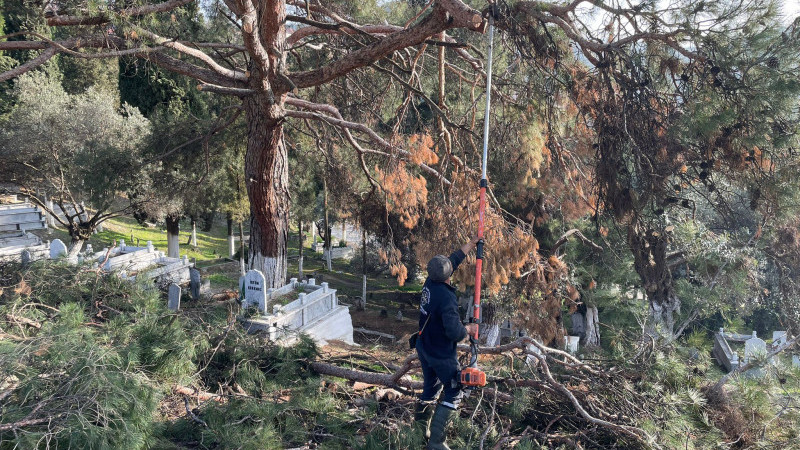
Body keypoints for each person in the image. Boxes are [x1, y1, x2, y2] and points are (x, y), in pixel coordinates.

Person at [414, 237, 480, 450]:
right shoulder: (447, 298)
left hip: (424, 346)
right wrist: (468, 329)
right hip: (440, 353)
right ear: (448, 276)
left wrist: (471, 244)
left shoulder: (430, 281)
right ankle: (436, 442)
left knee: (430, 390)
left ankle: (417, 436)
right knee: (454, 390)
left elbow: (453, 260)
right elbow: (454, 332)